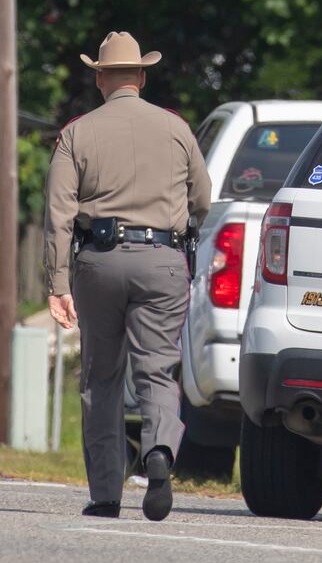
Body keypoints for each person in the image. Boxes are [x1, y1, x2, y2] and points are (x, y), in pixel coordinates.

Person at [43, 31, 211, 521]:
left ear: (100, 78)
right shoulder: (177, 128)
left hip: (99, 262)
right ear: (140, 76)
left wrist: (57, 284)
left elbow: (57, 214)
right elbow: (202, 199)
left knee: (101, 377)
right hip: (163, 261)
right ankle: (159, 449)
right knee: (157, 368)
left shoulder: (77, 132)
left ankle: (105, 493)